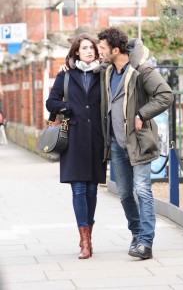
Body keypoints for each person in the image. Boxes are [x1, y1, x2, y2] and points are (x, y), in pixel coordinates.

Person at [97, 27, 174, 260]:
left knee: (142, 190)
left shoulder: (142, 70)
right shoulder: (108, 71)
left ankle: (146, 243)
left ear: (116, 50)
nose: (99, 52)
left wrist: (141, 114)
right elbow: (84, 67)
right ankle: (137, 233)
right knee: (124, 194)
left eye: (102, 48)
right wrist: (67, 64)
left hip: (138, 141)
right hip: (117, 143)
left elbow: (165, 95)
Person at [46, 33, 106, 259]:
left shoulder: (104, 74)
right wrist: (64, 108)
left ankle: (88, 236)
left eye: (92, 47)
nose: (89, 51)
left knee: (92, 190)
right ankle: (84, 242)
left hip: (97, 138)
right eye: (84, 48)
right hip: (74, 138)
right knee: (79, 189)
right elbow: (50, 102)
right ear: (76, 52)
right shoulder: (66, 75)